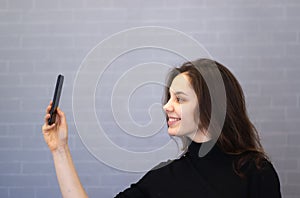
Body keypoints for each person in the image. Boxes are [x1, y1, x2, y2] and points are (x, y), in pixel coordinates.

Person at [42, 58, 282, 198]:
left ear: (211, 105)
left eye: (179, 98)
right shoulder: (165, 179)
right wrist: (59, 149)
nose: (166, 106)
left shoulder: (255, 171)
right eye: (168, 97)